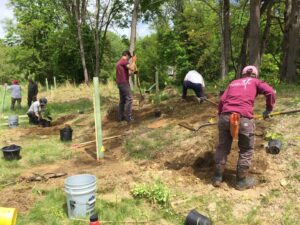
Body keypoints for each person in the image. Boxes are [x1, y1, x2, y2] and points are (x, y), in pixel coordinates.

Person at [213, 65, 275, 190]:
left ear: (243, 74)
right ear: (255, 75)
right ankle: (241, 181)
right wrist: (268, 109)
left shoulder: (233, 83)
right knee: (246, 150)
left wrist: (221, 115)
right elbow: (270, 92)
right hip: (244, 119)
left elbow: (222, 100)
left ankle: (217, 177)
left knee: (223, 147)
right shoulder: (255, 82)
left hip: (225, 117)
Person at [116, 50, 137, 123]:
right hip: (124, 83)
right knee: (129, 99)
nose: (129, 59)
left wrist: (133, 72)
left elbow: (129, 72)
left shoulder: (119, 62)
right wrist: (134, 61)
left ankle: (120, 116)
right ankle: (128, 117)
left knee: (122, 100)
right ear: (127, 55)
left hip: (120, 83)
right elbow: (131, 68)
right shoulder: (123, 61)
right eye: (129, 57)